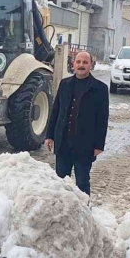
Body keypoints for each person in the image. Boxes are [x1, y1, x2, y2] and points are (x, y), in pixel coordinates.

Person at [44, 51, 110, 195]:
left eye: (85, 62)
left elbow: (102, 119)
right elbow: (55, 111)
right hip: (63, 143)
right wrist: (49, 136)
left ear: (91, 65)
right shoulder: (65, 84)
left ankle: (83, 213)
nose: (81, 65)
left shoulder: (100, 89)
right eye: (78, 62)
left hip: (85, 145)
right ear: (73, 64)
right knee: (61, 182)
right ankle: (62, 211)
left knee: (82, 183)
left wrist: (99, 145)